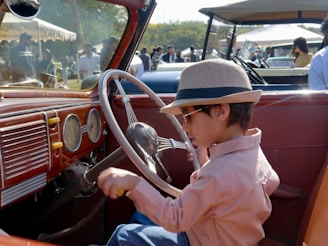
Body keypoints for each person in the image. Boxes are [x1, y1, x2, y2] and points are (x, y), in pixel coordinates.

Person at [98, 59, 280, 245]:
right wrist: (205, 162)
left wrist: (134, 183)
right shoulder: (252, 152)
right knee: (141, 217)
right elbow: (271, 181)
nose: (184, 127)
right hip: (224, 236)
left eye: (188, 116)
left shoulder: (217, 176)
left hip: (199, 239)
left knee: (124, 235)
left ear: (220, 112)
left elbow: (175, 218)